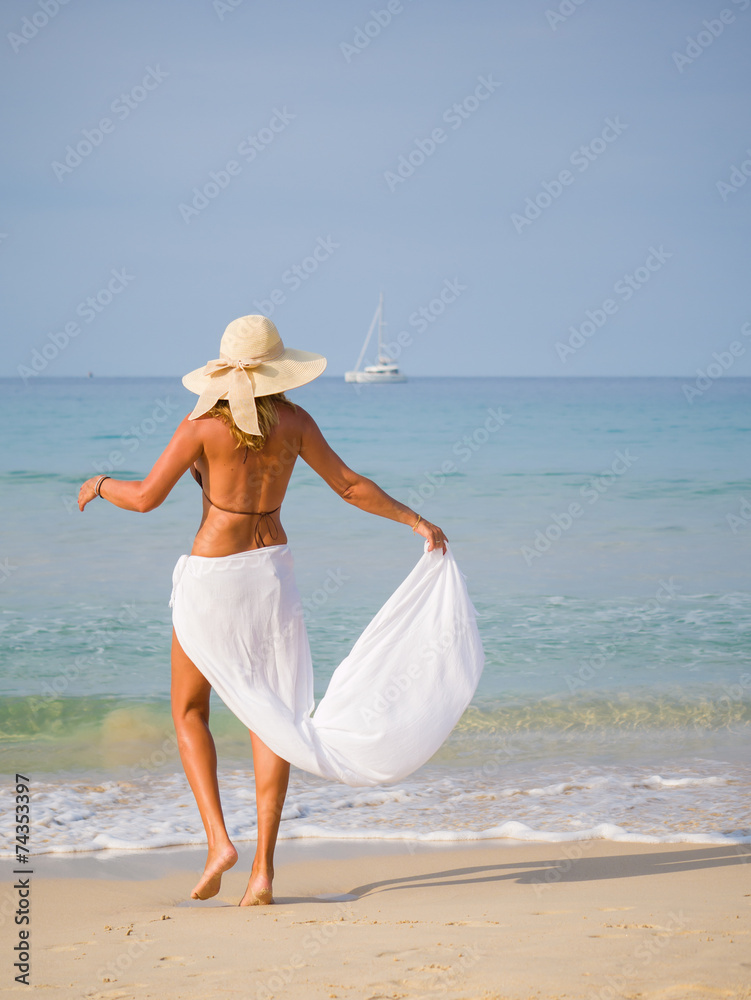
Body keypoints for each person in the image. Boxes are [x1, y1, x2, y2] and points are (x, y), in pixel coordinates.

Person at [78, 315, 482, 907]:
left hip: (215, 579)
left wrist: (99, 482)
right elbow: (349, 485)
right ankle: (263, 871)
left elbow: (143, 499)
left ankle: (219, 841)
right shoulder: (294, 423)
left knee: (190, 709)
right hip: (272, 576)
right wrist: (417, 521)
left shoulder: (202, 427)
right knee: (275, 716)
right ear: (276, 370)